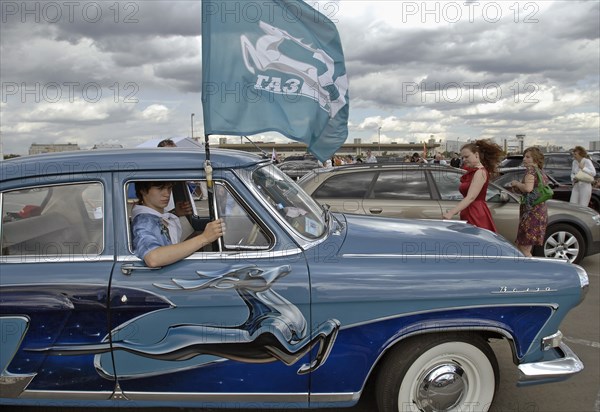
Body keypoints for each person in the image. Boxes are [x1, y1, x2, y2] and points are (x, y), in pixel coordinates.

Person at [131, 181, 223, 267]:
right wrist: (204, 238)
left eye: (169, 188)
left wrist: (175, 213)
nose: (167, 194)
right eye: (160, 189)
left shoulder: (159, 217)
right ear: (143, 190)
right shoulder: (144, 222)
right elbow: (153, 258)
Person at [442, 139, 503, 232]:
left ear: (476, 155)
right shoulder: (474, 172)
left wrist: (452, 212)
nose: (464, 160)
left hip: (475, 212)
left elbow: (471, 197)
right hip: (470, 211)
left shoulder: (480, 172)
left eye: (466, 156)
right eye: (462, 157)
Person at [510, 147, 549, 257]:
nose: (524, 159)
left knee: (524, 247)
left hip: (531, 213)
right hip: (539, 211)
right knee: (525, 246)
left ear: (535, 159)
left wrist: (516, 183)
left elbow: (528, 188)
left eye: (528, 157)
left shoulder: (531, 171)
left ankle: (532, 269)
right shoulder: (541, 172)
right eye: (524, 157)